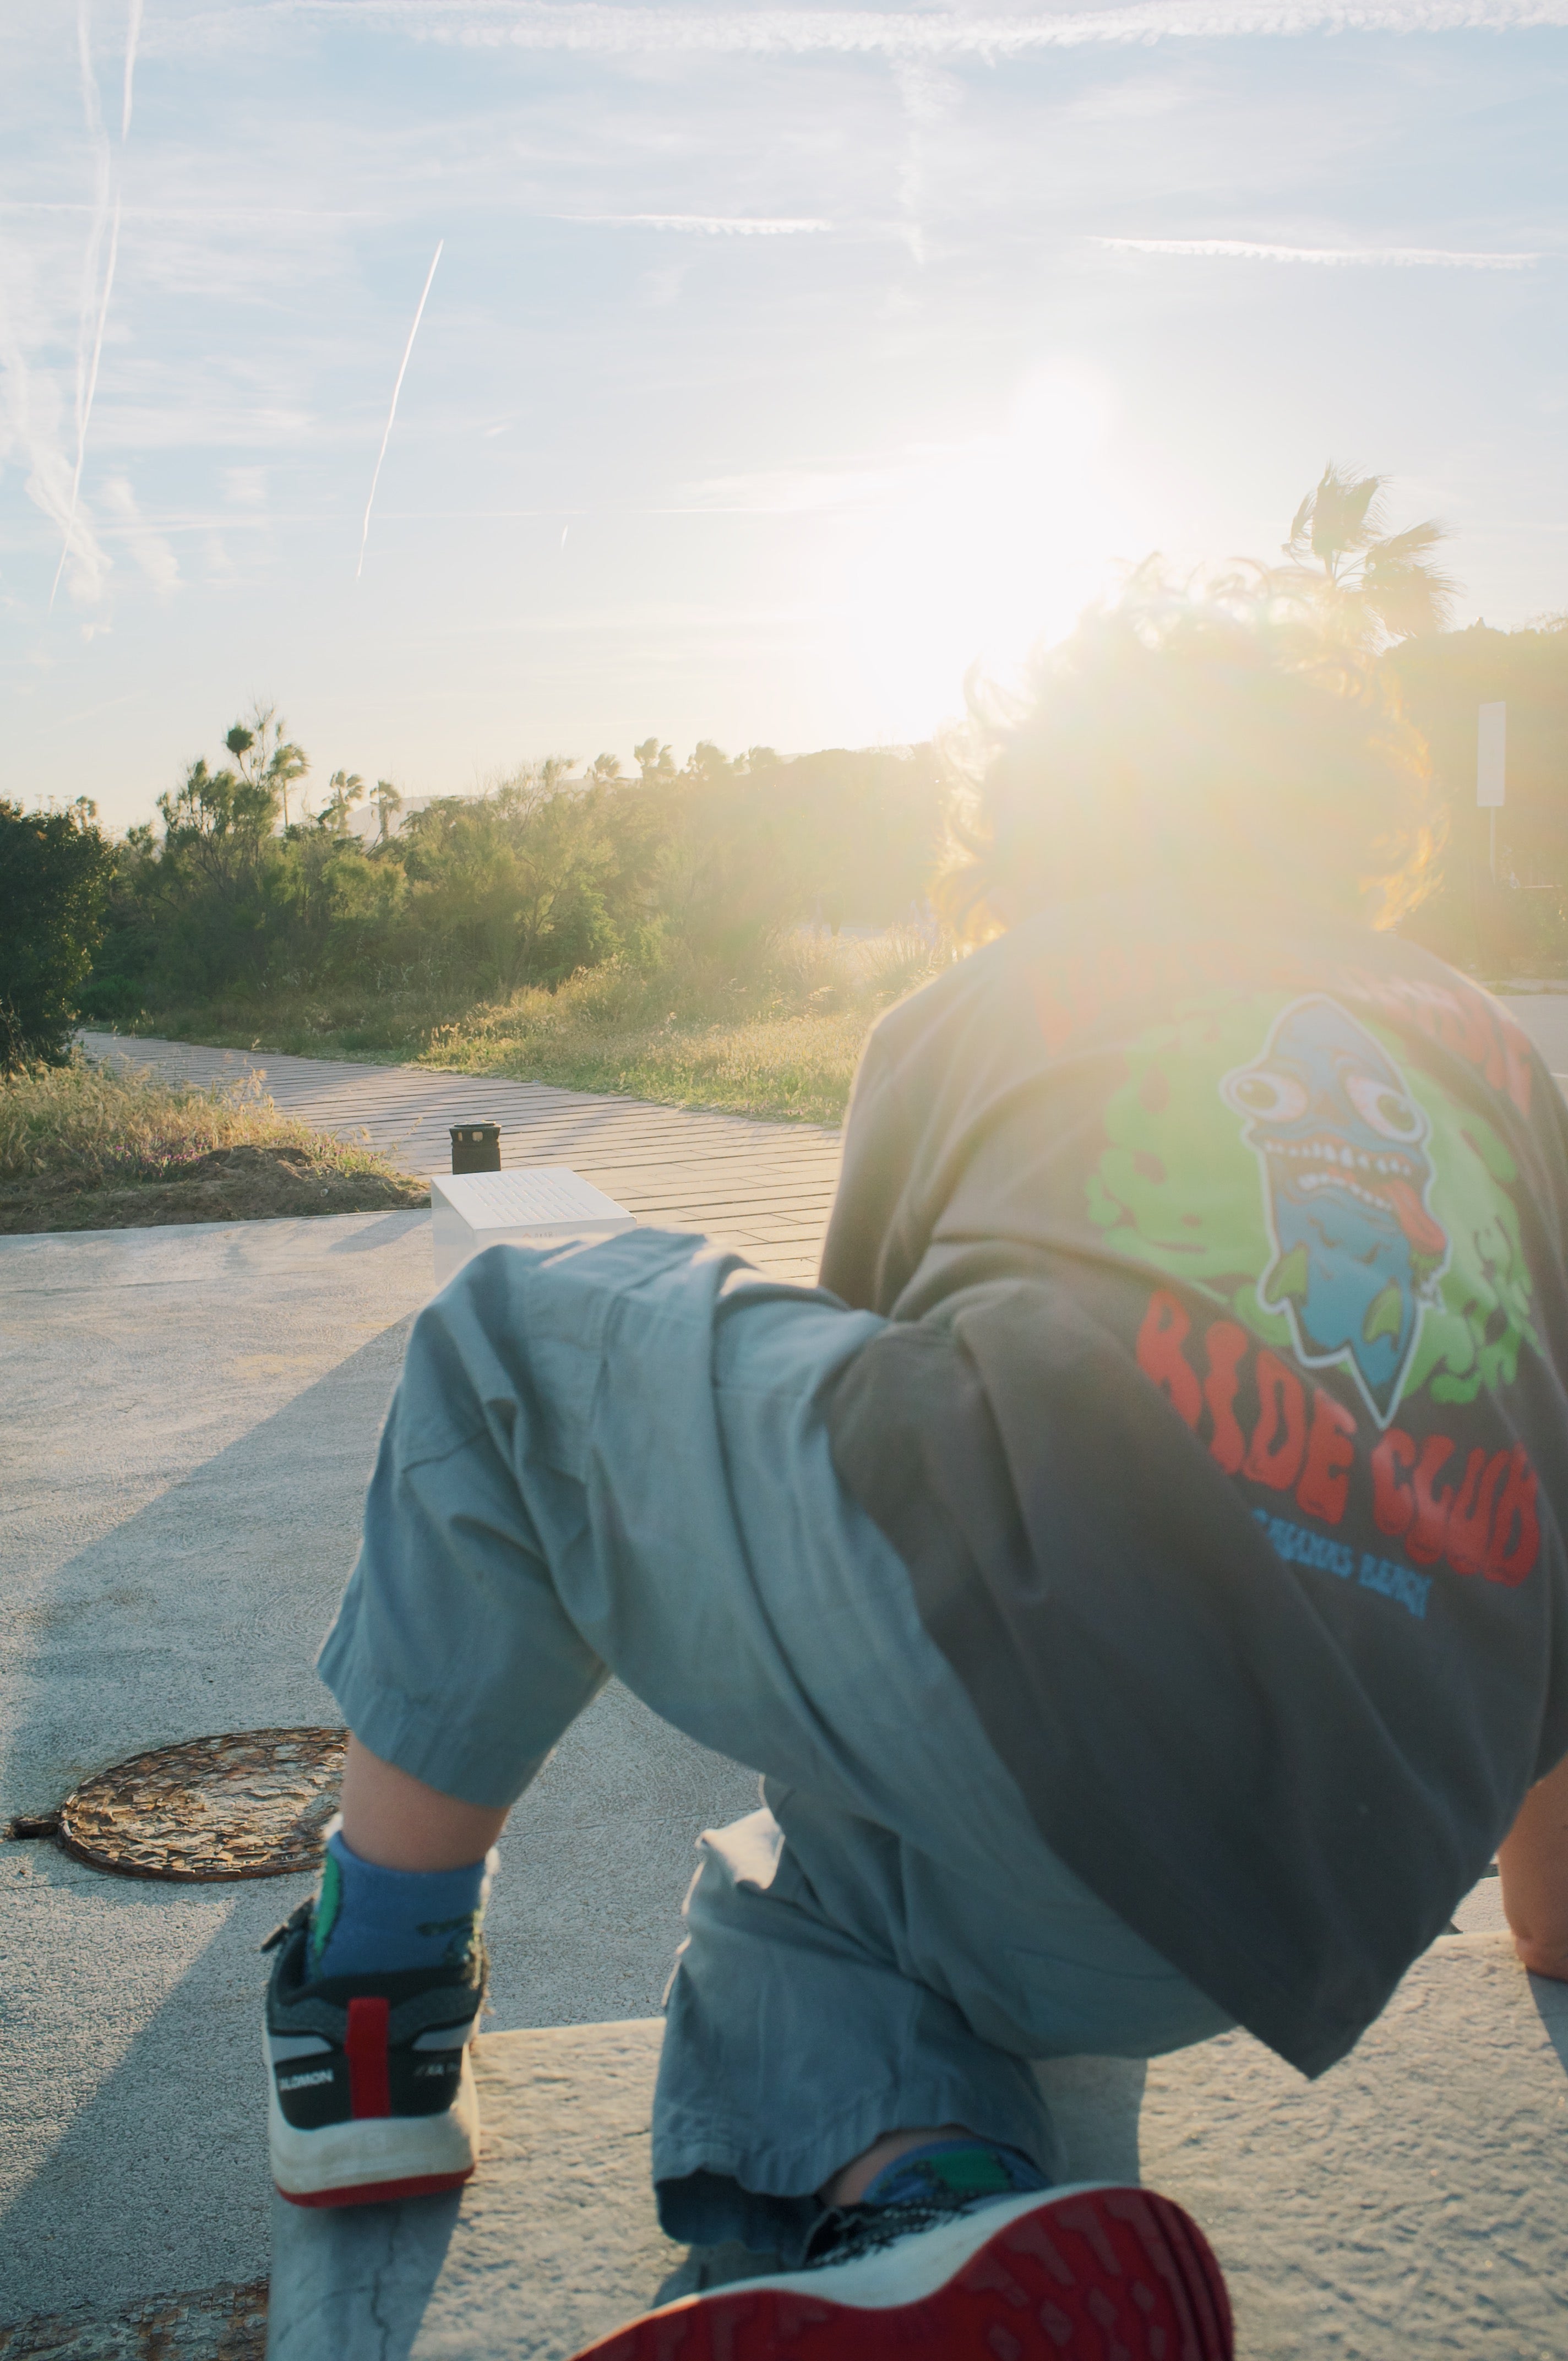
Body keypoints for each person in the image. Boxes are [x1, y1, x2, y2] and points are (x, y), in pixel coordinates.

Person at [262, 569, 1568, 2361]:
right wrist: (1548, 1919)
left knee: (513, 1353)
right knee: (827, 1888)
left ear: (1034, 819)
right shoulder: (1497, 1062)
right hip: (1338, 1892)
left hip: (1053, 1702)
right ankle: (929, 2216)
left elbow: (872, 1409)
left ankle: (374, 2005)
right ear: (1348, 812)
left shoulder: (985, 1004)